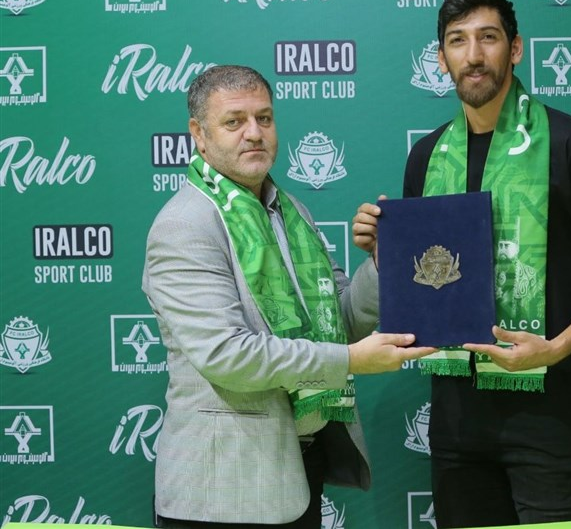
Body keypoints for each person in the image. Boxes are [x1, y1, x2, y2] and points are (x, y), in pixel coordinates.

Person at [353, 0, 571, 528]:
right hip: (457, 420)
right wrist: (384, 250)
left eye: (487, 38)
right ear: (441, 59)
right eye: (457, 41)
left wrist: (554, 350)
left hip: (550, 415)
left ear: (515, 49)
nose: (473, 55)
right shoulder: (427, 156)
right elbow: (425, 284)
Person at [142, 65, 433, 529]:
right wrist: (351, 361)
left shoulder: (291, 211)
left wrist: (385, 264)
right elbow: (228, 354)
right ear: (199, 135)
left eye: (264, 118)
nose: (254, 133)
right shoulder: (185, 225)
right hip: (223, 490)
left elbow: (340, 320)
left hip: (295, 471)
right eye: (234, 121)